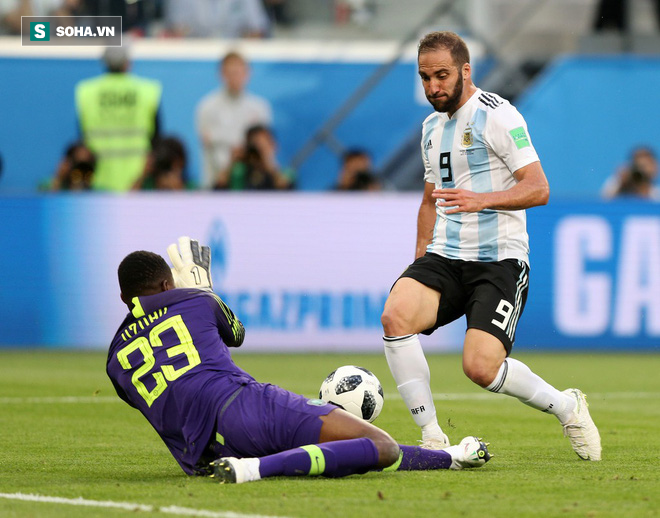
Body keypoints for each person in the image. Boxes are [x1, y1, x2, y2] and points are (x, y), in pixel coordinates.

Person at [380, 31, 602, 461]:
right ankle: (431, 436)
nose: (433, 87)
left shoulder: (499, 116)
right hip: (445, 255)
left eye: (441, 76)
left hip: (499, 260)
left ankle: (568, 407)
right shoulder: (430, 128)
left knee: (480, 368)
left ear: (465, 70)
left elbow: (539, 188)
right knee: (395, 314)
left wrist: (481, 199)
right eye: (425, 78)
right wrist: (419, 260)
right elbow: (429, 200)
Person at [107, 237, 491, 484]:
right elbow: (236, 335)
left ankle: (451, 456)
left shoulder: (114, 361)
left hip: (200, 453)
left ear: (125, 299)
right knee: (381, 446)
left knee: (327, 451)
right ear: (165, 285)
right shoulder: (195, 299)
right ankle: (253, 469)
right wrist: (203, 288)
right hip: (245, 407)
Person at [75, 44, 162, 191]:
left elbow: (82, 141)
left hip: (99, 181)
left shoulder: (87, 92)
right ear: (128, 63)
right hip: (139, 182)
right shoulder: (147, 91)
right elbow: (157, 140)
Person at [196, 51, 272, 189]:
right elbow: (207, 144)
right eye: (231, 73)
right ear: (221, 74)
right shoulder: (207, 107)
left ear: (248, 73)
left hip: (253, 182)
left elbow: (264, 148)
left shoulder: (260, 108)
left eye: (239, 72)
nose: (235, 77)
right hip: (218, 182)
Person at [215, 125, 293, 190]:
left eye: (264, 143)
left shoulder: (285, 174)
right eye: (255, 144)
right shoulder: (239, 172)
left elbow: (291, 198)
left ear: (274, 145)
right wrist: (231, 164)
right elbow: (216, 195)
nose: (259, 149)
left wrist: (269, 165)